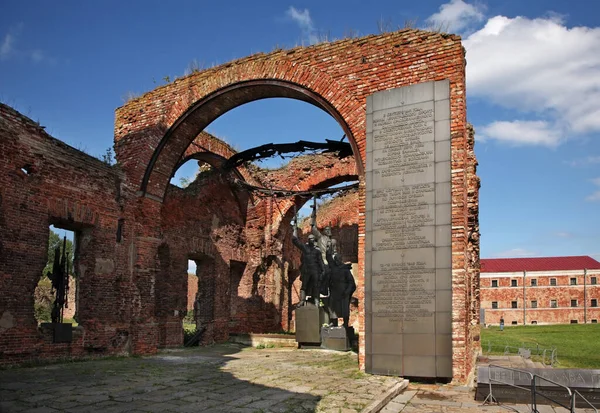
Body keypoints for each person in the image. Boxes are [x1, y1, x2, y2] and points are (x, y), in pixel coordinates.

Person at [292, 230, 324, 307]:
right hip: (306, 270)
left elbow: (320, 261)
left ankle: (316, 300)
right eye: (310, 239)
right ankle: (302, 301)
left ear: (314, 240)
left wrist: (323, 270)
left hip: (315, 270)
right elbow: (295, 241)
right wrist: (295, 228)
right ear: (308, 240)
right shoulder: (304, 247)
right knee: (304, 286)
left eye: (313, 238)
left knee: (316, 286)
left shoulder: (317, 251)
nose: (311, 240)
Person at [326, 249, 356, 327]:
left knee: (344, 308)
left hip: (343, 292)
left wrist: (347, 291)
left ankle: (345, 323)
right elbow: (328, 258)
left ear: (340, 260)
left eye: (338, 259)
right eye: (335, 260)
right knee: (332, 307)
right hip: (334, 291)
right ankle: (333, 322)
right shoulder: (333, 269)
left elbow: (351, 282)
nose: (337, 261)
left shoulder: (345, 270)